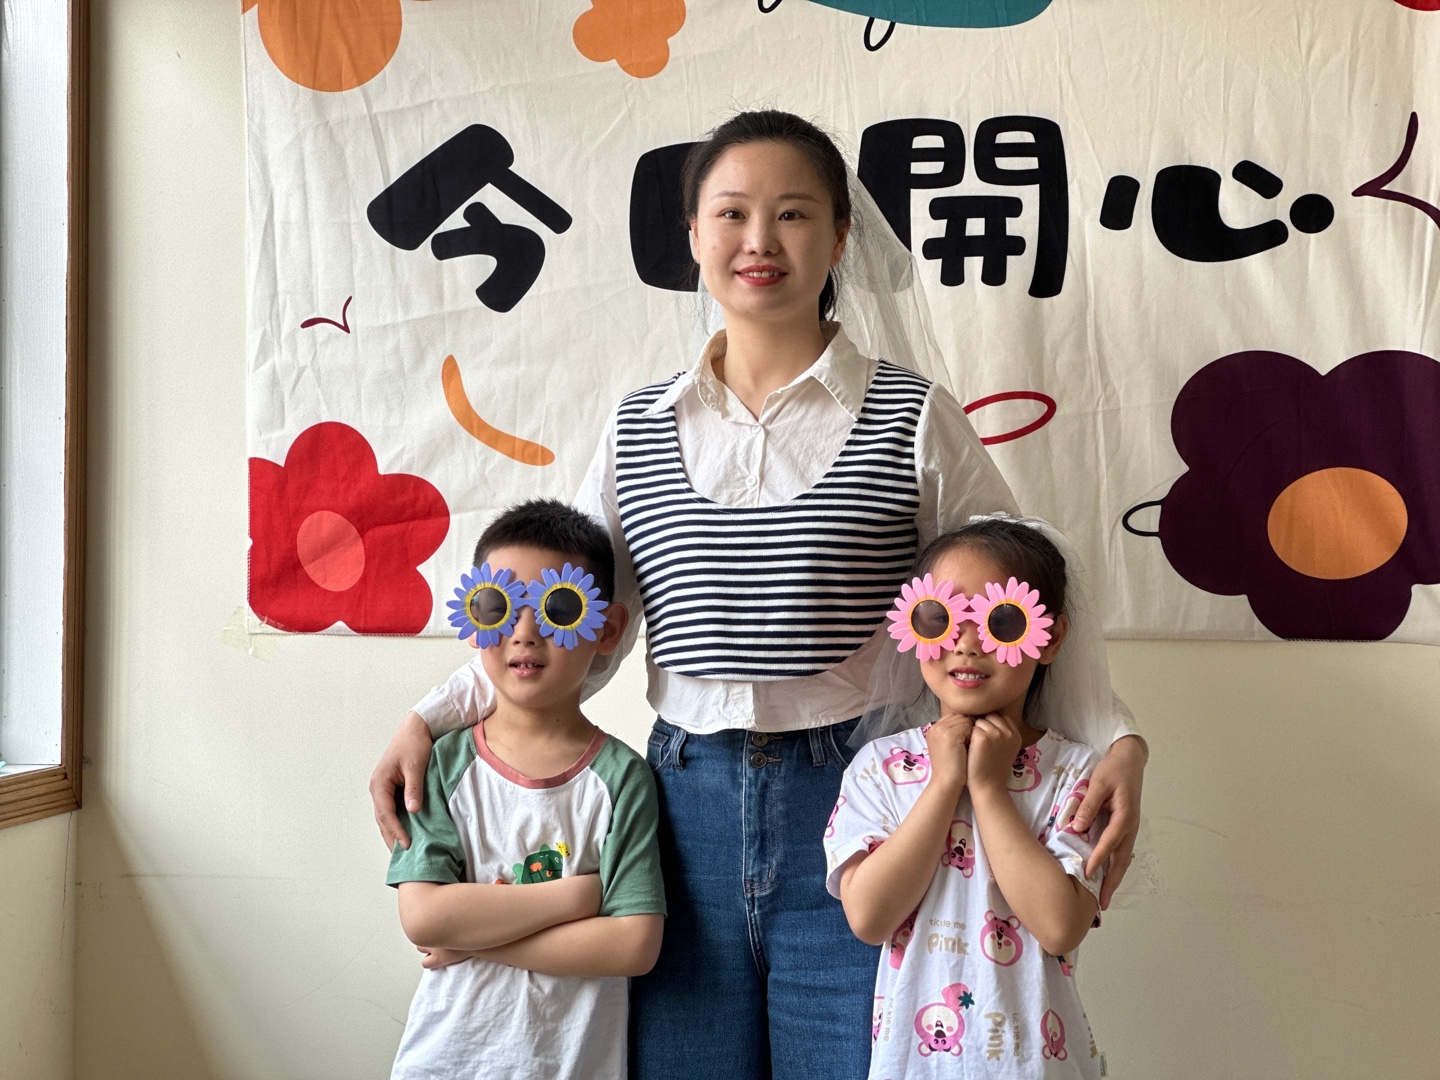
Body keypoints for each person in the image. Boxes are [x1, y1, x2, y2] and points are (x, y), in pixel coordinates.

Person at [370, 110, 1147, 1080]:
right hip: (676, 807)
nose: (760, 240)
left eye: (793, 213)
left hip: (868, 803)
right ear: (693, 235)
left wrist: (1120, 741)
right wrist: (432, 715)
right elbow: (568, 618)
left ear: (842, 236)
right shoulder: (637, 426)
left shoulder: (911, 417)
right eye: (732, 213)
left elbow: (1014, 598)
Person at [385, 500, 665, 1080]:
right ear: (473, 618)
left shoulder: (623, 779)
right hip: (446, 1063)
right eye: (499, 607)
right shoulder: (443, 765)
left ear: (608, 629)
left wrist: (474, 940)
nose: (524, 632)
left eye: (559, 608)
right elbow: (425, 916)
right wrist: (581, 897)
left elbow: (633, 946)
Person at [828, 517, 1108, 1077]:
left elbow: (1059, 925)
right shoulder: (880, 768)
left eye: (1001, 621)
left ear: (1050, 638)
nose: (966, 641)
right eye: (941, 617)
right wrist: (942, 784)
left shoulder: (1077, 773)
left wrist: (987, 788)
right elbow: (869, 918)